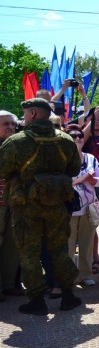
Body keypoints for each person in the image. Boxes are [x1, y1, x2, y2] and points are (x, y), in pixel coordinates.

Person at [0, 99, 82, 315]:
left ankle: (37, 300)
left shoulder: (16, 141)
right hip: (57, 204)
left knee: (29, 252)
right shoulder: (66, 140)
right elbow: (74, 169)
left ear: (34, 113)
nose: (23, 117)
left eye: (25, 112)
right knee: (59, 250)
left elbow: (3, 171)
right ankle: (68, 295)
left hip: (26, 206)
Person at [65, 124, 99, 287]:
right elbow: (61, 184)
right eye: (73, 136)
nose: (78, 138)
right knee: (68, 245)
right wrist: (82, 180)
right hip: (67, 209)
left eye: (80, 135)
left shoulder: (91, 158)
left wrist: (92, 180)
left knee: (86, 243)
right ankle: (70, 277)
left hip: (88, 208)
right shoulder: (61, 160)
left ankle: (86, 274)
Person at [0, 110, 23, 302]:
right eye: (5, 124)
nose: (11, 127)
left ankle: (8, 284)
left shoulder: (19, 146)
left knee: (12, 245)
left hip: (15, 204)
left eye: (12, 124)